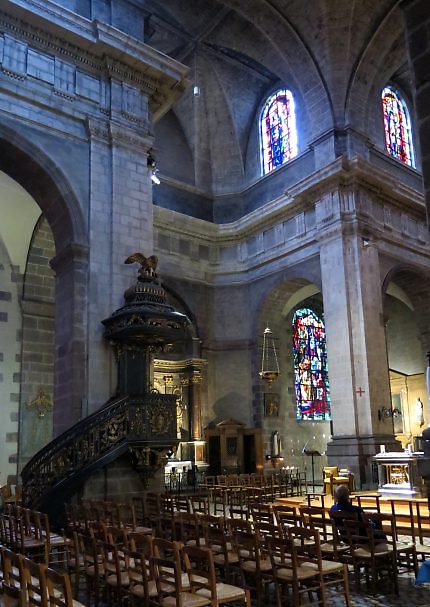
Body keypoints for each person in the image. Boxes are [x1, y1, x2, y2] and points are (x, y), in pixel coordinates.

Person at [330, 485, 388, 551]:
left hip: (345, 538)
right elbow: (365, 524)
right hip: (361, 538)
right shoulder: (356, 510)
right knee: (376, 523)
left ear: (336, 497)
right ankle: (383, 547)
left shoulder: (332, 509)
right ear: (347, 495)